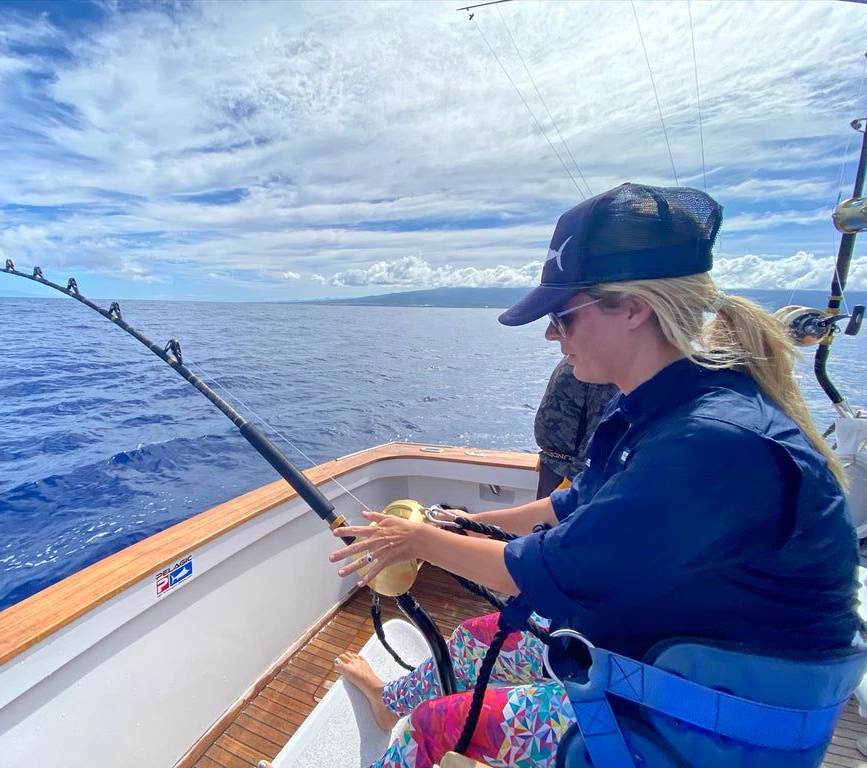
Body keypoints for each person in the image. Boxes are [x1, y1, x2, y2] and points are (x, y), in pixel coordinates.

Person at [326, 182, 860, 768]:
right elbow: (571, 505)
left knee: (430, 729)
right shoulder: (654, 410)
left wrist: (420, 540)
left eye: (562, 316)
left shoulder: (712, 443)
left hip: (709, 721)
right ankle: (388, 700)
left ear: (632, 308)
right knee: (477, 638)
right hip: (662, 648)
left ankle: (407, 720)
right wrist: (468, 523)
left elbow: (551, 571)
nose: (552, 336)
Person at [533, 356, 617, 499]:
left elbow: (599, 427)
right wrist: (549, 454)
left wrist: (573, 477)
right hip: (553, 466)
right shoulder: (574, 353)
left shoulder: (599, 365)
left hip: (570, 471)